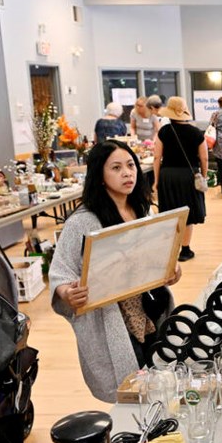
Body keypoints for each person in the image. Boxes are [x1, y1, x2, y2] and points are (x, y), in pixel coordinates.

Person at [49, 140, 181, 402]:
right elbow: (60, 273)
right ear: (99, 176)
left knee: (159, 379)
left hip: (150, 310)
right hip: (115, 318)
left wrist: (170, 269)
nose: (127, 173)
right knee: (131, 390)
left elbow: (153, 256)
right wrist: (67, 293)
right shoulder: (83, 221)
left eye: (130, 165)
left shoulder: (141, 209)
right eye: (116, 168)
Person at [154, 96, 207, 262]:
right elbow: (204, 158)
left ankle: (171, 249)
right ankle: (185, 250)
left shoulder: (164, 131)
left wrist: (156, 180)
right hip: (188, 176)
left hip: (168, 175)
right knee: (187, 214)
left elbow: (157, 157)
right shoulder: (196, 132)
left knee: (170, 213)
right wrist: (203, 176)